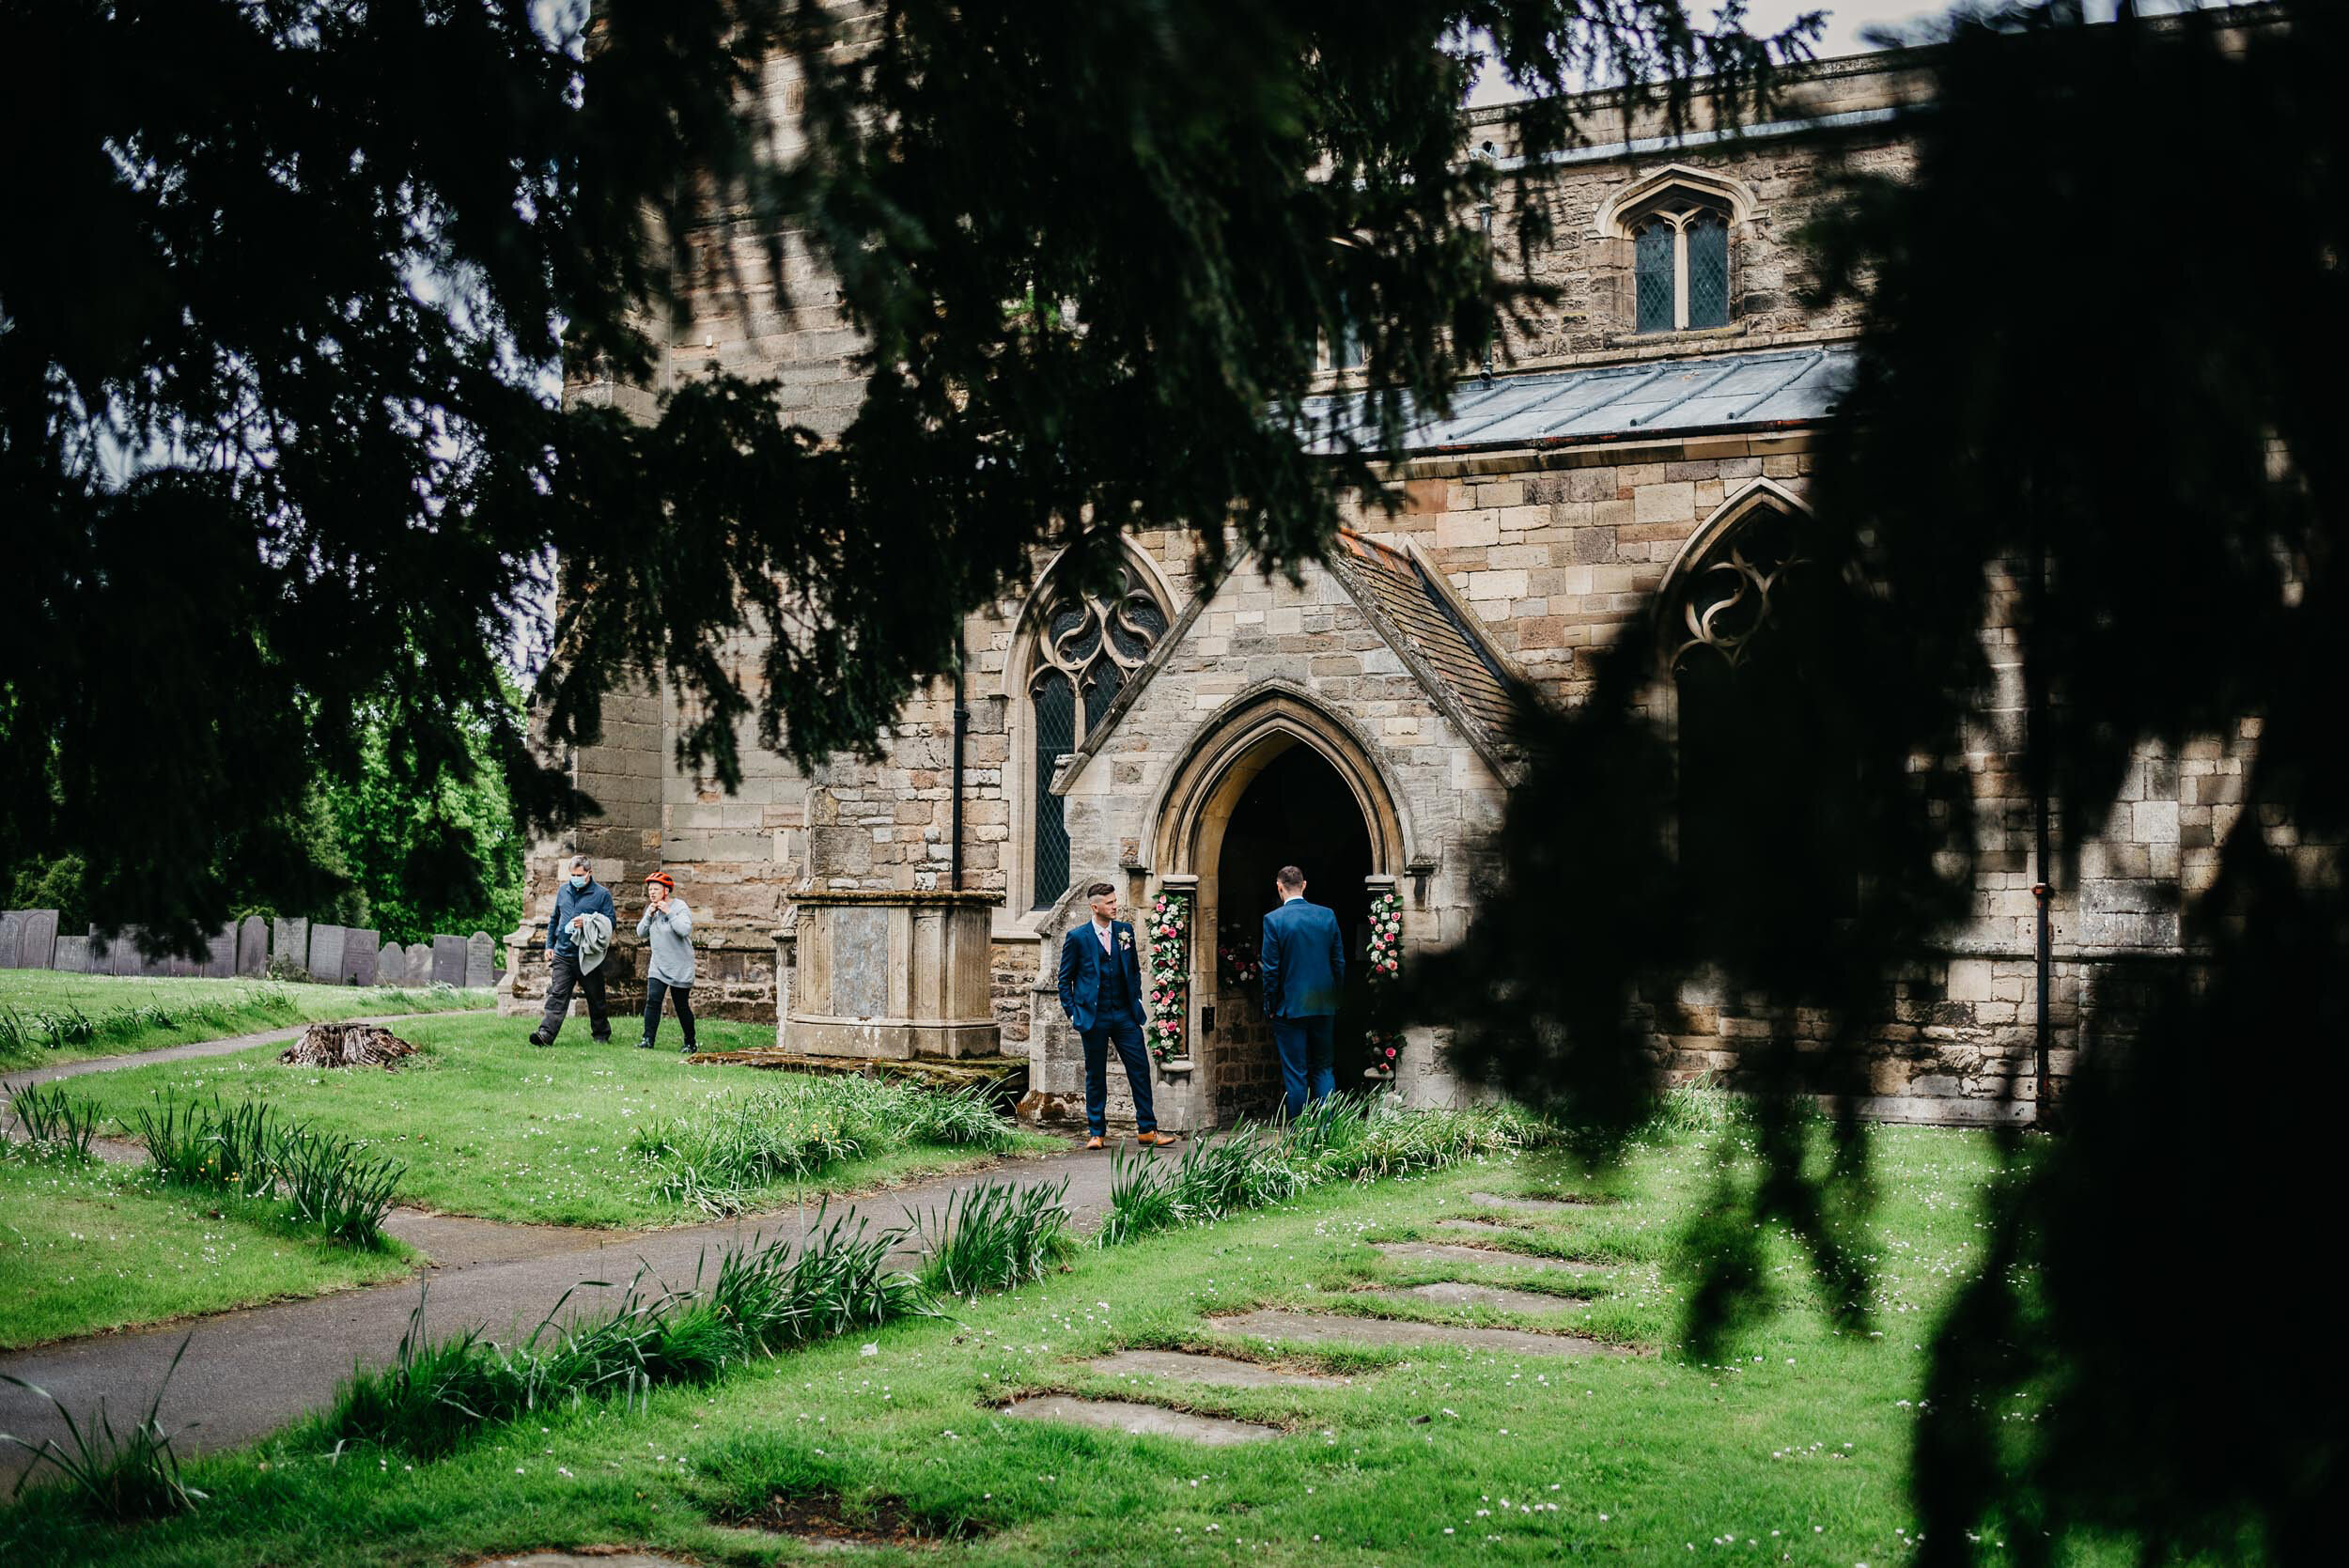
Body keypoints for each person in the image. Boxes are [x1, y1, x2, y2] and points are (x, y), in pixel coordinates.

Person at [1057, 880, 1179, 1151]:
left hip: (1124, 1014)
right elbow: (1064, 981)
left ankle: (1147, 1129)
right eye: (1110, 903)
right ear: (1095, 906)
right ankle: (1096, 1132)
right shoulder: (1078, 938)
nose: (1115, 906)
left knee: (1139, 1068)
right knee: (1096, 1074)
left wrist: (1134, 996)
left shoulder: (1125, 931)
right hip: (1093, 1016)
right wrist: (1073, 1014)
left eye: (1115, 901)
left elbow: (1133, 969)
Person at [1259, 863, 1344, 1118]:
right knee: (1324, 1069)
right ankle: (1328, 1132)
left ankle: (1300, 1136)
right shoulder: (1327, 916)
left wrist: (1270, 1005)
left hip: (1290, 1007)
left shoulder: (1273, 920)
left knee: (1296, 1074)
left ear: (1279, 886)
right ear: (1304, 885)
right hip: (1323, 1004)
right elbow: (1338, 962)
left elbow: (1271, 970)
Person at [530, 854, 615, 1046]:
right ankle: (545, 1035)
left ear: (589, 873)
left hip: (587, 955)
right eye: (572, 874)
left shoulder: (602, 895)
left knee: (596, 997)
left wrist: (587, 921)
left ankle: (601, 1035)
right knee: (557, 995)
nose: (575, 878)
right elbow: (554, 919)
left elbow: (610, 923)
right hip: (562, 953)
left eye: (579, 874)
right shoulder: (563, 891)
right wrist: (549, 946)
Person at [633, 871, 697, 1054]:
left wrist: (668, 912)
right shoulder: (651, 909)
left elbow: (684, 929)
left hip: (680, 965)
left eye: (656, 889)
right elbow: (640, 933)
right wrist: (649, 915)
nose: (652, 893)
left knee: (681, 1005)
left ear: (666, 891)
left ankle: (690, 1043)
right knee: (653, 1000)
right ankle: (648, 1039)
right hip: (658, 965)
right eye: (650, 890)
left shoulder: (679, 907)